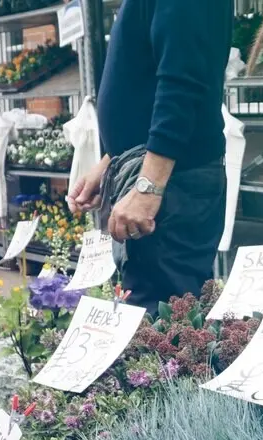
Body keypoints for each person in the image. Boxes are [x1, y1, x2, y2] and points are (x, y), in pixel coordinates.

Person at [67, 0, 231, 309]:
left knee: (167, 321)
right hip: (158, 175)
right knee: (147, 311)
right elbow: (143, 78)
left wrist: (148, 187)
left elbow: (182, 84)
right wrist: (109, 162)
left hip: (174, 182)